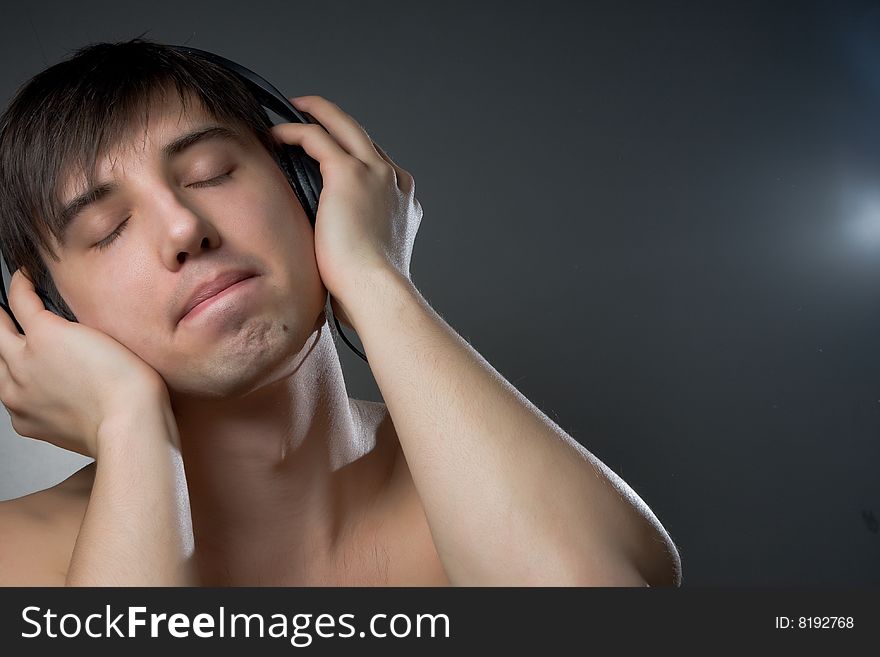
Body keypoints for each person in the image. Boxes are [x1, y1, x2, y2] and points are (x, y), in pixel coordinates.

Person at [0, 38, 682, 586]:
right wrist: (129, 424)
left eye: (211, 172)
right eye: (108, 228)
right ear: (52, 319)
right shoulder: (17, 555)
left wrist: (377, 276)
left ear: (310, 186)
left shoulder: (498, 481)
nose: (183, 228)